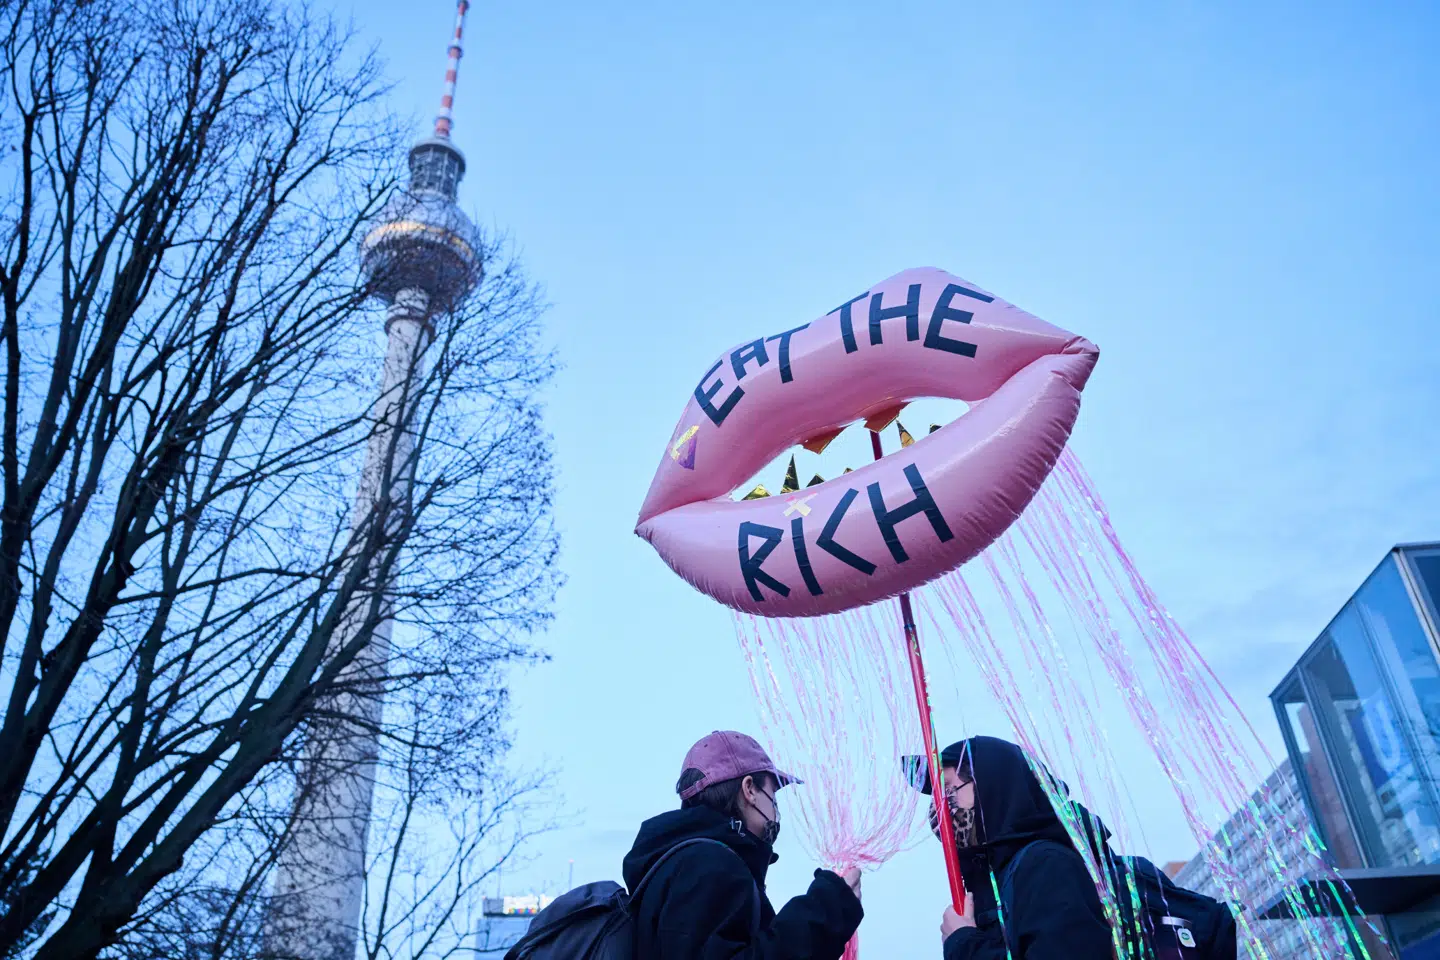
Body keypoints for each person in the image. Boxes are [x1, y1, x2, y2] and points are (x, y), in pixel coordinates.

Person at [622, 730, 864, 959]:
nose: (775, 809)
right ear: (749, 789)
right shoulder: (710, 864)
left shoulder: (679, 864)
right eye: (773, 794)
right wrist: (827, 911)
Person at [908, 736, 1114, 960]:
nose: (938, 806)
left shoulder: (1047, 864)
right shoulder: (995, 878)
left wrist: (965, 944)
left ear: (989, 786)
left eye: (947, 789)